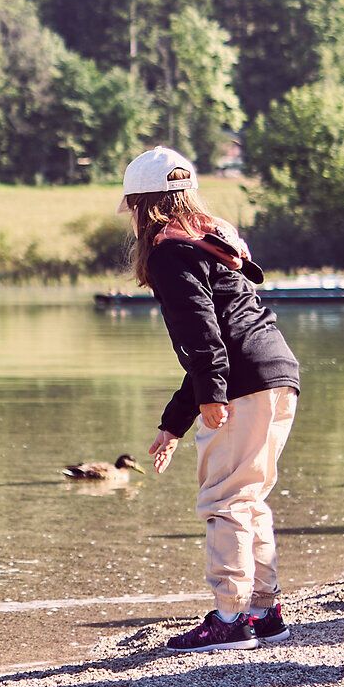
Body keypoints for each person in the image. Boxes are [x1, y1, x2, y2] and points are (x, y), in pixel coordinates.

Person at [121, 147, 301, 653]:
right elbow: (214, 341)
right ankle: (264, 613)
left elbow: (204, 340)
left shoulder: (169, 251)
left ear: (142, 206)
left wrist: (213, 396)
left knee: (223, 500)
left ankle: (229, 620)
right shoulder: (208, 240)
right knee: (248, 496)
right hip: (276, 373)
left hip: (242, 381)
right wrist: (173, 424)